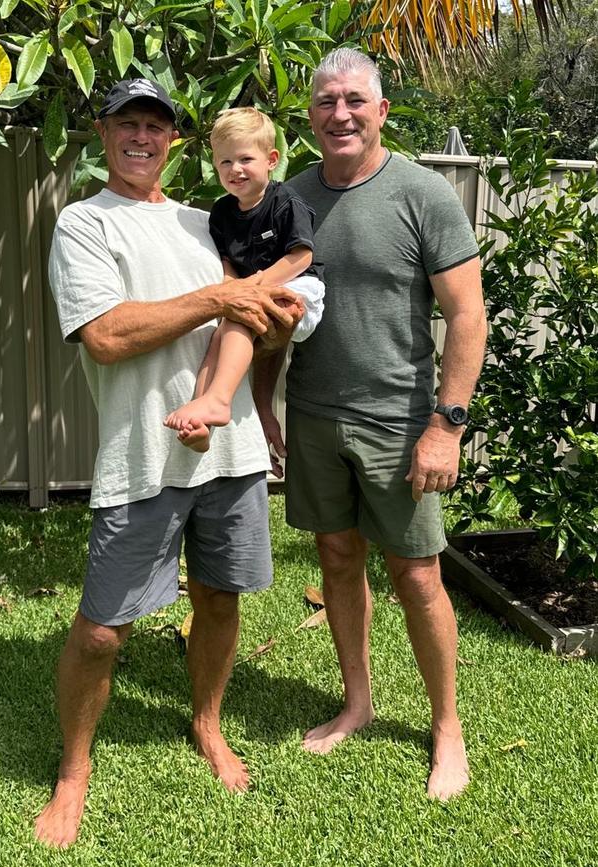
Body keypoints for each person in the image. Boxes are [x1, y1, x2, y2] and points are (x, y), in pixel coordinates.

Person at [35, 78, 304, 849]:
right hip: (143, 455)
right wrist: (222, 297)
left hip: (231, 450)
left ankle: (208, 722)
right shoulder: (83, 224)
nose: (142, 138)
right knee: (101, 632)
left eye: (156, 126)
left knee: (220, 600)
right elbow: (108, 336)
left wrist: (271, 317)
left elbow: (256, 324)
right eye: (128, 124)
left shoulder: (205, 222)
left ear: (175, 143)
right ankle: (75, 768)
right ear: (103, 134)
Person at [253, 48, 487, 801]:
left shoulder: (423, 194)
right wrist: (263, 402)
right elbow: (267, 316)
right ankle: (358, 699)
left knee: (417, 573)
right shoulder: (289, 200)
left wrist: (446, 425)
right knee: (336, 556)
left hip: (400, 421)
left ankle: (446, 725)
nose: (341, 113)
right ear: (311, 115)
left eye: (355, 99)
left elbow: (466, 315)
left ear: (382, 111)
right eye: (326, 102)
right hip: (315, 414)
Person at [165, 107, 325, 453]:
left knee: (239, 318)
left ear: (271, 159)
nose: (235, 169)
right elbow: (227, 262)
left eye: (245, 159)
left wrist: (253, 287)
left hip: (300, 287)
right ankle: (201, 420)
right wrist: (230, 288)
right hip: (254, 288)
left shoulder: (285, 201)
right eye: (224, 162)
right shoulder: (222, 211)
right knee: (219, 336)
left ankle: (219, 399)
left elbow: (302, 256)